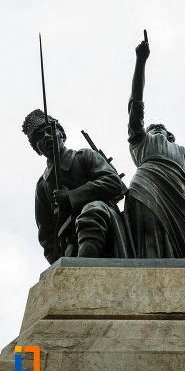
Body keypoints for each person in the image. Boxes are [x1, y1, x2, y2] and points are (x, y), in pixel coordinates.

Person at [125, 35, 185, 258]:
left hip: (180, 197)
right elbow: (135, 102)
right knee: (149, 239)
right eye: (152, 127)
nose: (156, 129)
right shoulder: (140, 141)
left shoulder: (180, 156)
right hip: (147, 185)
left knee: (182, 253)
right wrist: (141, 61)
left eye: (161, 128)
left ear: (171, 136)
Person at [22, 109, 125, 264]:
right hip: (71, 242)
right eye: (39, 137)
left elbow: (113, 182)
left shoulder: (85, 156)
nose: (46, 137)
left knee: (92, 209)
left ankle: (83, 272)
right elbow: (47, 234)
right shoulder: (43, 186)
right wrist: (58, 264)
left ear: (62, 135)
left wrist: (72, 197)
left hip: (105, 221)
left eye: (49, 131)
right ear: (37, 150)